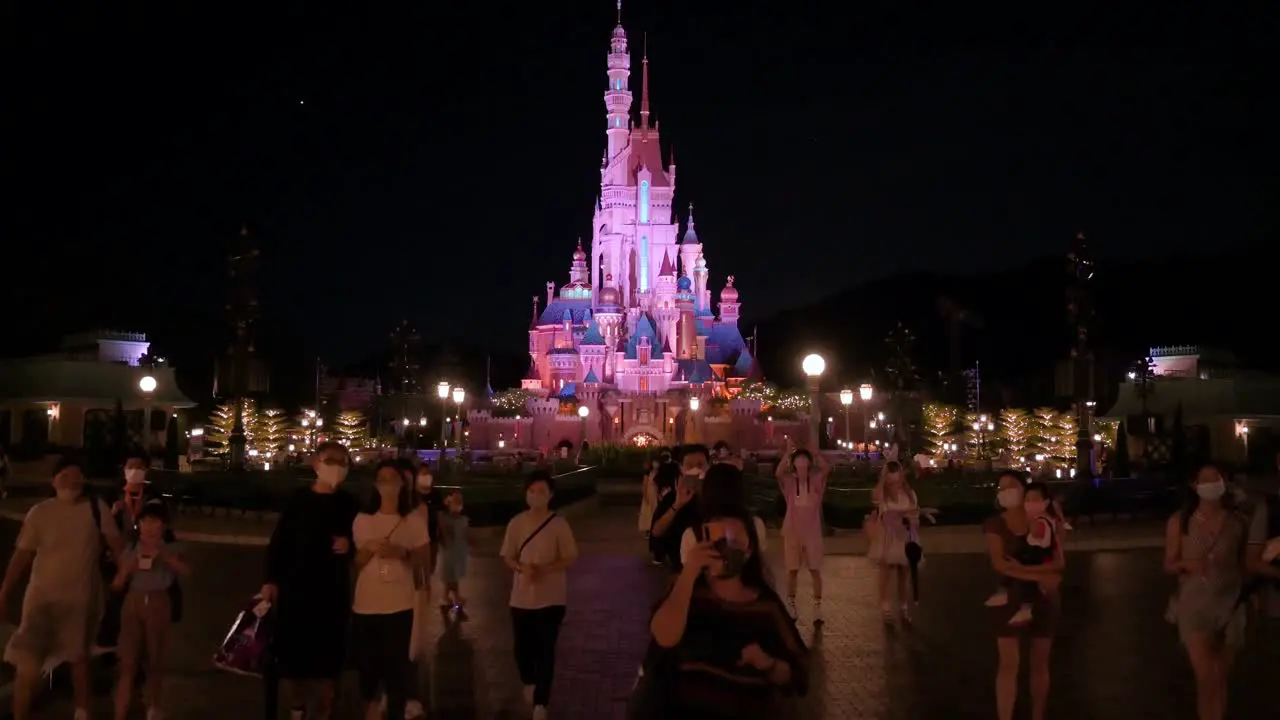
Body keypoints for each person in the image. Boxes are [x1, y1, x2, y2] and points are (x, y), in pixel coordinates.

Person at [644, 502, 808, 718]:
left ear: (749, 551)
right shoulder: (687, 593)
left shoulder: (766, 607)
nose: (723, 549)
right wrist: (689, 572)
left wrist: (768, 664)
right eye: (715, 539)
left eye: (733, 541)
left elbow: (798, 676)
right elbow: (663, 636)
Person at [0, 454, 123, 720]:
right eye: (65, 475)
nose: (72, 481)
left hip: (80, 599)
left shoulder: (95, 508)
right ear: (53, 480)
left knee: (78, 659)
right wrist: (5, 591)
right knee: (27, 664)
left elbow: (118, 546)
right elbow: (21, 556)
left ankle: (82, 711)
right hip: (40, 601)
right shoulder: (40, 513)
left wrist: (123, 578)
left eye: (77, 476)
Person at [261, 441, 361, 720]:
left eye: (343, 462)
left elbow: (365, 541)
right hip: (296, 592)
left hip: (333, 594)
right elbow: (278, 543)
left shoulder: (350, 504)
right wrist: (270, 580)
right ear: (316, 463)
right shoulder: (298, 500)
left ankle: (325, 711)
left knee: (329, 662)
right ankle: (297, 709)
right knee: (294, 660)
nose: (337, 467)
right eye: (331, 460)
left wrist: (350, 544)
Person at [1164, 463, 1253, 720]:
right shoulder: (1180, 522)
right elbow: (1169, 564)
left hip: (1231, 603)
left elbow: (1244, 561)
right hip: (1195, 605)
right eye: (1206, 479)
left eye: (1217, 478)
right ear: (1194, 485)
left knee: (1220, 677)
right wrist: (1185, 564)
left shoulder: (1237, 521)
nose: (1213, 483)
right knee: (1206, 677)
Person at [351, 460, 430, 720]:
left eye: (392, 478)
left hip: (400, 605)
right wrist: (368, 550)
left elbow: (425, 561)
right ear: (375, 485)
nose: (387, 484)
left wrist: (402, 553)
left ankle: (396, 711)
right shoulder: (363, 520)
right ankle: (371, 709)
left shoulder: (414, 520)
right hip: (366, 604)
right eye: (381, 478)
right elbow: (357, 564)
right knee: (368, 668)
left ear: (401, 484)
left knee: (398, 670)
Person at [501, 470, 579, 720]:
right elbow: (508, 555)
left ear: (551, 495)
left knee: (545, 650)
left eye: (542, 492)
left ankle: (541, 703)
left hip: (552, 598)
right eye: (532, 491)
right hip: (521, 598)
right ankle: (529, 682)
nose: (536, 496)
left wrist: (545, 569)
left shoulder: (559, 524)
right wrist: (521, 568)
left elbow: (570, 557)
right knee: (522, 650)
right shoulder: (516, 523)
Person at [985, 473, 1063, 720]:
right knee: (1009, 663)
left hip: (1043, 599)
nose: (1006, 491)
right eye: (1001, 488)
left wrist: (1024, 571)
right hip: (1009, 599)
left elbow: (1058, 563)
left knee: (1040, 663)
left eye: (1012, 486)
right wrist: (1037, 576)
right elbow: (999, 564)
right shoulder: (996, 524)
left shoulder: (1044, 522)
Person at [112, 500, 189, 720]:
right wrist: (127, 568)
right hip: (134, 600)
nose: (148, 526)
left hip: (158, 601)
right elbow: (117, 584)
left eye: (154, 521)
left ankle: (153, 707)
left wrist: (164, 555)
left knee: (155, 658)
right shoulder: (131, 547)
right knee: (128, 660)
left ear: (163, 525)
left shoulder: (171, 547)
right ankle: (121, 711)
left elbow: (187, 571)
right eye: (144, 521)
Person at [985, 483, 1059, 626]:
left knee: (1026, 580)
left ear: (1045, 502)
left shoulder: (1042, 520)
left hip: (1037, 553)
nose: (1031, 504)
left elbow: (1041, 537)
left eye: (1035, 500)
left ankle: (1025, 607)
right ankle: (1004, 593)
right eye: (1028, 499)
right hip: (1033, 552)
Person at [775, 441, 829, 622]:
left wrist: (816, 454)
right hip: (792, 531)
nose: (802, 464)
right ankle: (791, 604)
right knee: (792, 570)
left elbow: (826, 470)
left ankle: (818, 607)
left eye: (804, 460)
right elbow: (778, 474)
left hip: (812, 532)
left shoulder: (815, 482)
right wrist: (787, 454)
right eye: (798, 460)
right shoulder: (790, 483)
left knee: (815, 569)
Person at [650, 445, 713, 573]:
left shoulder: (716, 494)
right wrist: (677, 504)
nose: (696, 469)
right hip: (680, 568)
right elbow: (656, 531)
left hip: (712, 568)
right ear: (681, 468)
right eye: (690, 465)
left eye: (700, 464)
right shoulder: (672, 497)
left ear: (709, 465)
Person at [871, 460, 919, 622]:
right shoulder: (883, 495)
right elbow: (882, 513)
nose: (894, 485)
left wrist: (911, 522)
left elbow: (915, 516)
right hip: (888, 537)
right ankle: (885, 608)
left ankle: (904, 608)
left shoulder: (910, 494)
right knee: (885, 573)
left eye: (897, 481)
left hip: (906, 537)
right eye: (891, 482)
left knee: (904, 574)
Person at [439, 489, 470, 612]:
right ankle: (456, 599)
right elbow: (445, 535)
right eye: (455, 500)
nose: (458, 503)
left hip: (458, 552)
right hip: (449, 552)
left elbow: (465, 535)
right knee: (451, 577)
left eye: (460, 501)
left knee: (451, 577)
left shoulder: (463, 519)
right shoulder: (443, 518)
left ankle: (446, 599)